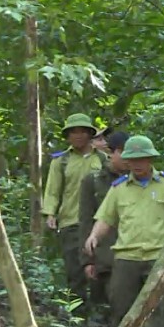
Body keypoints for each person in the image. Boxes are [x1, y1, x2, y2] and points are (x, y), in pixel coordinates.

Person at [84, 135, 164, 327]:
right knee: (121, 308)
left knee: (161, 312)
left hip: (158, 257)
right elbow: (106, 218)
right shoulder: (119, 189)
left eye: (142, 159)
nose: (137, 164)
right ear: (126, 161)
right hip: (126, 257)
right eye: (132, 159)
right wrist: (93, 237)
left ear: (150, 159)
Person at [42, 113, 108, 310]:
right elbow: (53, 190)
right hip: (71, 221)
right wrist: (50, 214)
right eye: (73, 132)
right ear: (68, 136)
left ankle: (100, 313)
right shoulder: (60, 161)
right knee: (75, 271)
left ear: (89, 134)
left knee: (101, 267)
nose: (78, 136)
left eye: (82, 132)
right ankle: (78, 314)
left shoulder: (103, 159)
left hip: (99, 222)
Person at [78, 130, 130, 327]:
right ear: (111, 152)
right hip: (103, 255)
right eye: (122, 152)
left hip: (130, 253)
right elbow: (85, 221)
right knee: (102, 308)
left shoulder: (136, 180)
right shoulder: (92, 181)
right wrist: (87, 260)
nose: (127, 159)